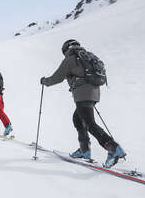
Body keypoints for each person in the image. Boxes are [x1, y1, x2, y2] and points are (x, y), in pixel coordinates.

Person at [40, 39, 126, 168]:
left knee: (90, 124)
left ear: (66, 50)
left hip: (82, 94)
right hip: (94, 93)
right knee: (78, 119)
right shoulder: (89, 56)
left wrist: (44, 81)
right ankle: (84, 150)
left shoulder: (70, 59)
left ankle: (113, 148)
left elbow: (57, 78)